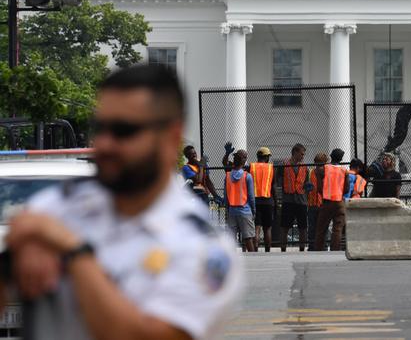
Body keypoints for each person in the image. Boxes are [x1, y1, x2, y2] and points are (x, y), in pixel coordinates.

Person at [0, 64, 241, 340]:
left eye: (123, 130)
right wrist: (16, 252)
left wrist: (73, 252)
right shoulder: (57, 205)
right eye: (100, 128)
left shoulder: (204, 249)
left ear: (170, 137)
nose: (104, 143)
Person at [314, 148, 348, 251]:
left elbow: (319, 188)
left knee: (321, 229)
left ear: (331, 156)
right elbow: (346, 189)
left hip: (327, 201)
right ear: (341, 159)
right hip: (339, 202)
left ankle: (318, 250)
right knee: (337, 229)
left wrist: (324, 194)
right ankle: (335, 250)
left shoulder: (323, 169)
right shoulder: (344, 170)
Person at [225, 149, 257, 252]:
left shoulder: (228, 176)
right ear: (244, 161)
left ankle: (232, 262)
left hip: (232, 211)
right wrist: (253, 210)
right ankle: (253, 261)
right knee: (248, 238)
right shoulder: (247, 176)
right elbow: (251, 196)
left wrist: (227, 209)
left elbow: (226, 195)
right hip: (245, 210)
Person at [279, 143, 309, 252]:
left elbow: (306, 182)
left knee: (303, 227)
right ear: (295, 152)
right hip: (288, 200)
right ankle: (283, 249)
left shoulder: (305, 167)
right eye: (301, 154)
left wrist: (307, 189)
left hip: (301, 200)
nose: (303, 156)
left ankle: (302, 249)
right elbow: (279, 180)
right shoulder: (284, 164)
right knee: (285, 227)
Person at [250, 147, 275, 252]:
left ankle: (255, 250)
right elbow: (273, 186)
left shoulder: (251, 167)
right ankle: (267, 251)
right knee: (267, 228)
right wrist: (276, 201)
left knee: (256, 227)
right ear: (266, 157)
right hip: (268, 200)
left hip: (255, 200)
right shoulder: (271, 167)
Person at [306, 152, 328, 251]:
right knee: (313, 227)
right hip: (313, 204)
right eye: (318, 164)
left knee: (321, 227)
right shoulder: (311, 172)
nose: (319, 167)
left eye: (321, 164)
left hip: (321, 204)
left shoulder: (327, 173)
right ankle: (313, 246)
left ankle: (322, 246)